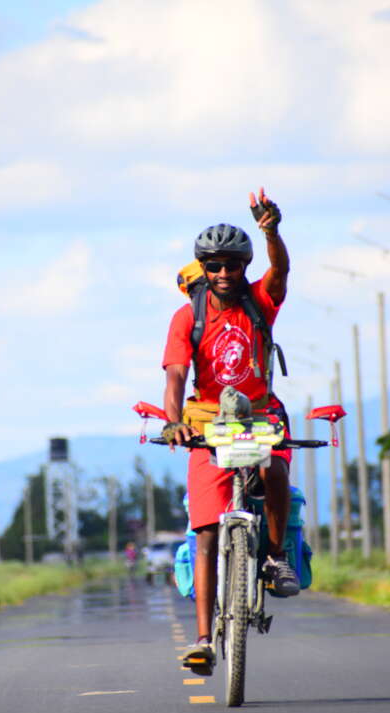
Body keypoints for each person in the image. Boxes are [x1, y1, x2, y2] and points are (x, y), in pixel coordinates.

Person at [161, 187, 300, 673]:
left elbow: (281, 271)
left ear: (244, 266)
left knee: (274, 471)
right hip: (207, 421)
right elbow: (176, 376)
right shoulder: (188, 316)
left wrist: (272, 233)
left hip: (261, 415)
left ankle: (275, 558)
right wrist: (174, 421)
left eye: (233, 265)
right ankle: (203, 639)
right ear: (203, 268)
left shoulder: (260, 302)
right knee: (205, 532)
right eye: (214, 265)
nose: (224, 273)